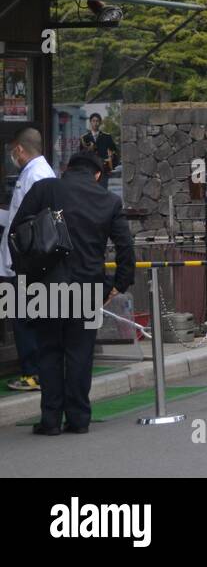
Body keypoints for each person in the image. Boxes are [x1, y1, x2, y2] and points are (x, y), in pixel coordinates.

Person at [14, 151, 135, 433]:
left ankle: (51, 420)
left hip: (45, 284)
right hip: (88, 286)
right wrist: (119, 283)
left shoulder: (45, 188)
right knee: (80, 353)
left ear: (66, 169)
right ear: (96, 174)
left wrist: (25, 275)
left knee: (49, 352)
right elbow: (125, 247)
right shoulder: (108, 200)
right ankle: (79, 419)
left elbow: (17, 232)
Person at [0, 127, 58, 392]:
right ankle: (36, 371)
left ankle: (33, 372)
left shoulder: (37, 175)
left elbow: (31, 223)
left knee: (24, 318)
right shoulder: (34, 173)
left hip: (25, 262)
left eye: (13, 150)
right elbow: (16, 217)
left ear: (20, 149)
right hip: (21, 261)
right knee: (23, 315)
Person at [81, 114, 118, 188]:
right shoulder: (84, 138)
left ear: (100, 122)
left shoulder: (107, 137)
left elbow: (115, 152)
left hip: (103, 170)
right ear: (90, 122)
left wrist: (110, 166)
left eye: (97, 121)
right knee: (92, 192)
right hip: (90, 171)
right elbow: (81, 155)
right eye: (93, 121)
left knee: (103, 191)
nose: (95, 123)